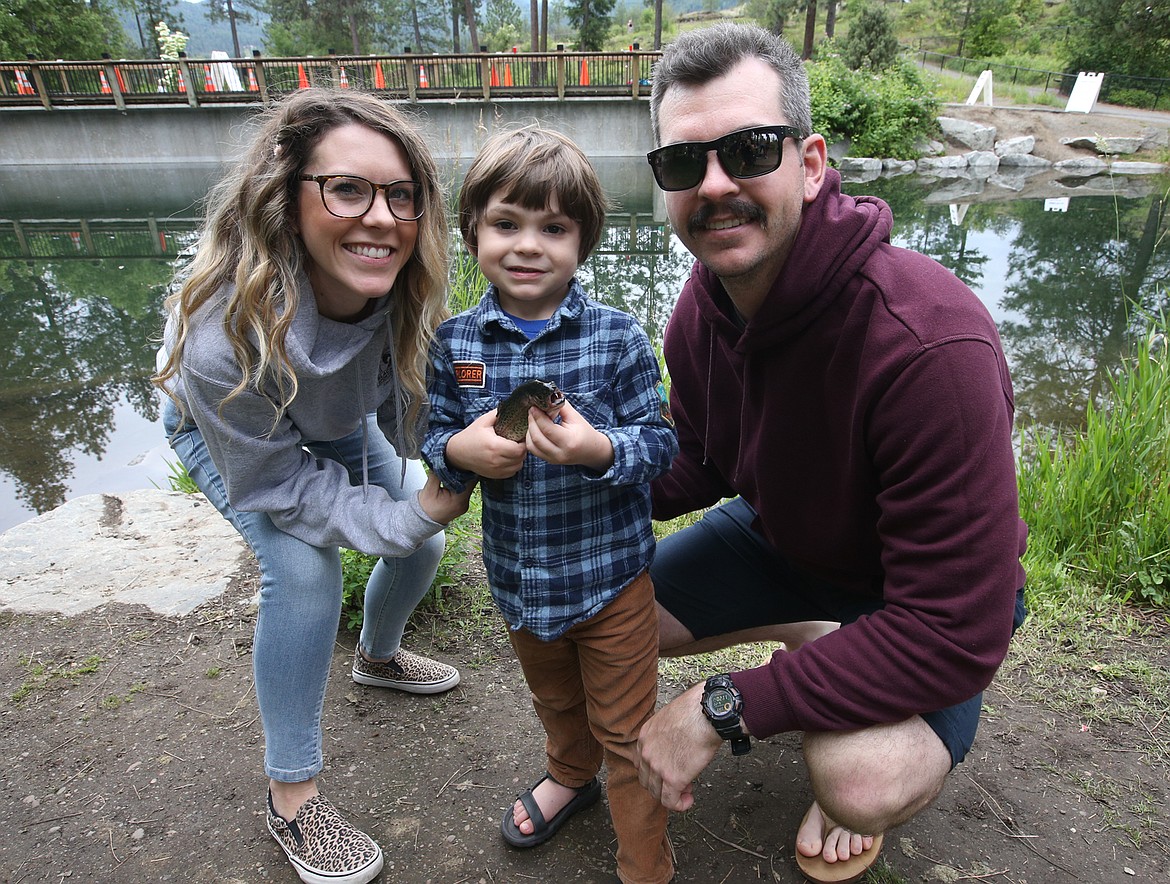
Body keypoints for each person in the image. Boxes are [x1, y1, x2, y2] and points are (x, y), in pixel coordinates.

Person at [633, 23, 1029, 884]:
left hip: (923, 608)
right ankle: (825, 644)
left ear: (809, 165)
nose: (715, 186)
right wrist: (588, 462)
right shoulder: (701, 310)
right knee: (626, 616)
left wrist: (726, 703)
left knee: (858, 779)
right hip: (783, 541)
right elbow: (699, 460)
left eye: (748, 150)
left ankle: (842, 670)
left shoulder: (930, 346)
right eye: (682, 163)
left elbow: (955, 629)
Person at [153, 88, 475, 884]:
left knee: (421, 537)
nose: (381, 217)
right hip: (232, 430)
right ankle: (291, 796)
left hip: (330, 419)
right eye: (347, 188)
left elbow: (411, 407)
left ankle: (377, 656)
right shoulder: (222, 336)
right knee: (303, 573)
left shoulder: (405, 279)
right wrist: (408, 508)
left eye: (402, 195)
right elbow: (279, 479)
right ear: (285, 197)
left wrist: (451, 455)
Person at [422, 125, 679, 884]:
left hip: (612, 586)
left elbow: (660, 445)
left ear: (583, 242)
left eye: (554, 228)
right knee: (557, 702)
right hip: (520, 585)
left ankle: (646, 868)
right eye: (506, 223)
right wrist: (457, 452)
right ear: (472, 233)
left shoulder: (618, 339)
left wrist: (603, 451)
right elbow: (433, 432)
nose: (528, 245)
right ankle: (570, 775)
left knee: (629, 734)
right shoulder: (455, 343)